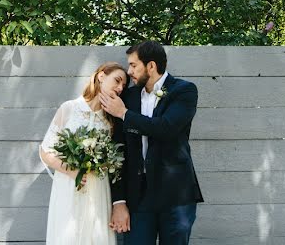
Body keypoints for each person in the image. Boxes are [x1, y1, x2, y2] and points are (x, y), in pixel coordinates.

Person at [99, 40, 204, 244]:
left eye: (133, 65)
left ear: (151, 66)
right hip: (138, 196)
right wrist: (118, 201)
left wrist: (124, 114)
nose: (129, 71)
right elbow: (117, 151)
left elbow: (166, 128)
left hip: (176, 195)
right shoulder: (128, 97)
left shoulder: (184, 91)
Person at [39, 61, 129, 244]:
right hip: (69, 185)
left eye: (124, 86)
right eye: (117, 81)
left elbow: (117, 163)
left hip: (98, 189)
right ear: (101, 76)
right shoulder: (70, 108)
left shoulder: (112, 121)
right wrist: (71, 171)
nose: (120, 88)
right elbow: (44, 151)